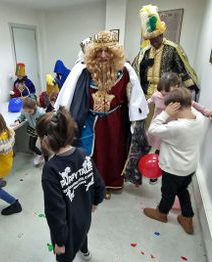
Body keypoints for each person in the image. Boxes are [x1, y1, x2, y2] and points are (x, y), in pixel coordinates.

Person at [55, 30, 149, 194]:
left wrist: (136, 123)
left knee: (114, 154)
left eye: (108, 51)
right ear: (92, 52)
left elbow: (135, 100)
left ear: (115, 52)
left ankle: (111, 183)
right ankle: (92, 185)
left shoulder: (126, 72)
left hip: (116, 122)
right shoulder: (82, 71)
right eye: (99, 51)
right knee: (91, 155)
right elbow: (68, 97)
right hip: (89, 122)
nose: (104, 56)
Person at [36, 107, 105, 262]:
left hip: (67, 229)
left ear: (46, 140)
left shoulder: (51, 170)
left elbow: (55, 211)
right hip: (85, 216)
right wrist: (95, 201)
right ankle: (85, 252)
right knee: (83, 234)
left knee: (65, 258)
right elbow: (99, 183)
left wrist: (59, 242)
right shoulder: (83, 154)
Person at [143, 88, 207, 234]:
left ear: (175, 107)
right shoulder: (199, 119)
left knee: (168, 193)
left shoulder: (176, 127)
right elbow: (194, 109)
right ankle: (187, 217)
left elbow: (153, 129)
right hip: (190, 167)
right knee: (182, 190)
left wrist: (165, 114)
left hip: (173, 169)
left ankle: (162, 213)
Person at [132, 5, 200, 130]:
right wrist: (142, 66)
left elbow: (182, 69)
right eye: (151, 39)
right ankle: (149, 144)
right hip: (147, 95)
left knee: (165, 123)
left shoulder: (173, 48)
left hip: (167, 95)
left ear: (162, 34)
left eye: (156, 38)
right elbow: (135, 69)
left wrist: (192, 87)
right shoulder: (144, 51)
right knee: (148, 124)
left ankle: (160, 148)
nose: (154, 42)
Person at [147, 72, 212, 184]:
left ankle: (165, 171)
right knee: (154, 148)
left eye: (167, 93)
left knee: (164, 150)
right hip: (159, 125)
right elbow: (148, 102)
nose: (164, 95)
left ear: (176, 87)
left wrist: (206, 112)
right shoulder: (156, 95)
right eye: (162, 93)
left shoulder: (179, 98)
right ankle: (153, 171)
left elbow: (193, 104)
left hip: (171, 129)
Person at [12, 97, 47, 165]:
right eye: (26, 111)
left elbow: (46, 121)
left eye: (30, 111)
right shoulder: (25, 111)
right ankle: (41, 155)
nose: (28, 113)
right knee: (31, 146)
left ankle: (47, 161)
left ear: (34, 107)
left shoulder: (40, 112)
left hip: (42, 129)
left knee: (44, 146)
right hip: (32, 129)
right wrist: (18, 121)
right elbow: (22, 116)